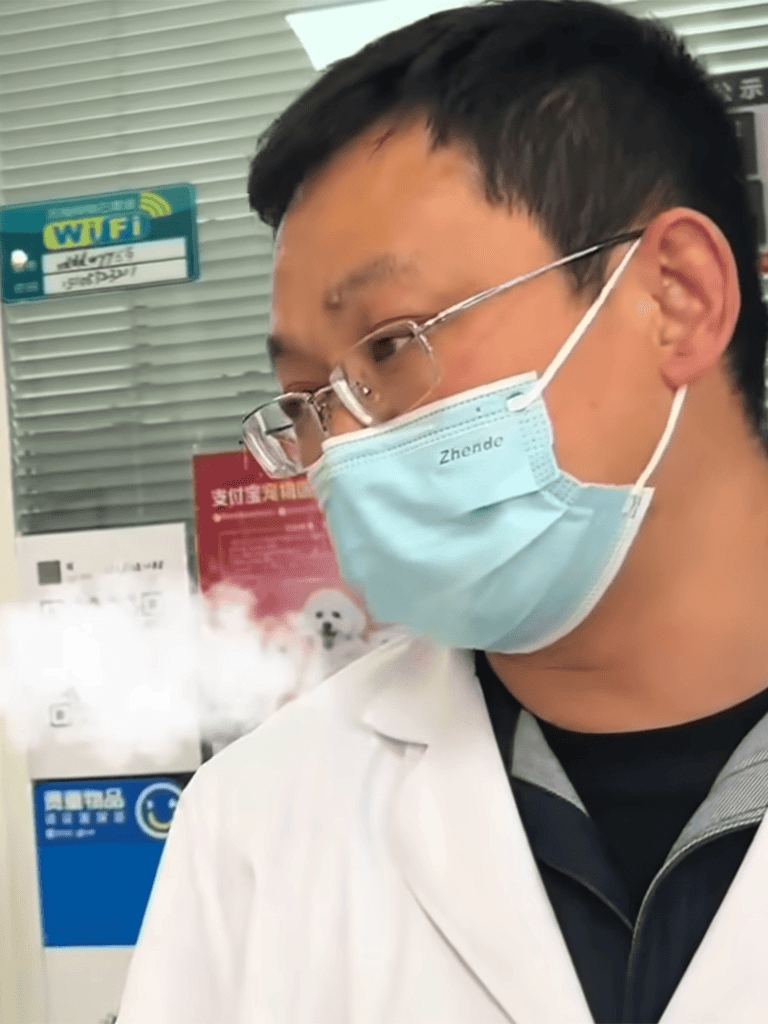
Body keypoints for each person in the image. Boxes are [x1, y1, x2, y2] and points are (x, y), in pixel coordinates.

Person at [116, 2, 768, 1021]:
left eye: (389, 345)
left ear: (674, 297)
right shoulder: (256, 822)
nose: (342, 451)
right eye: (305, 403)